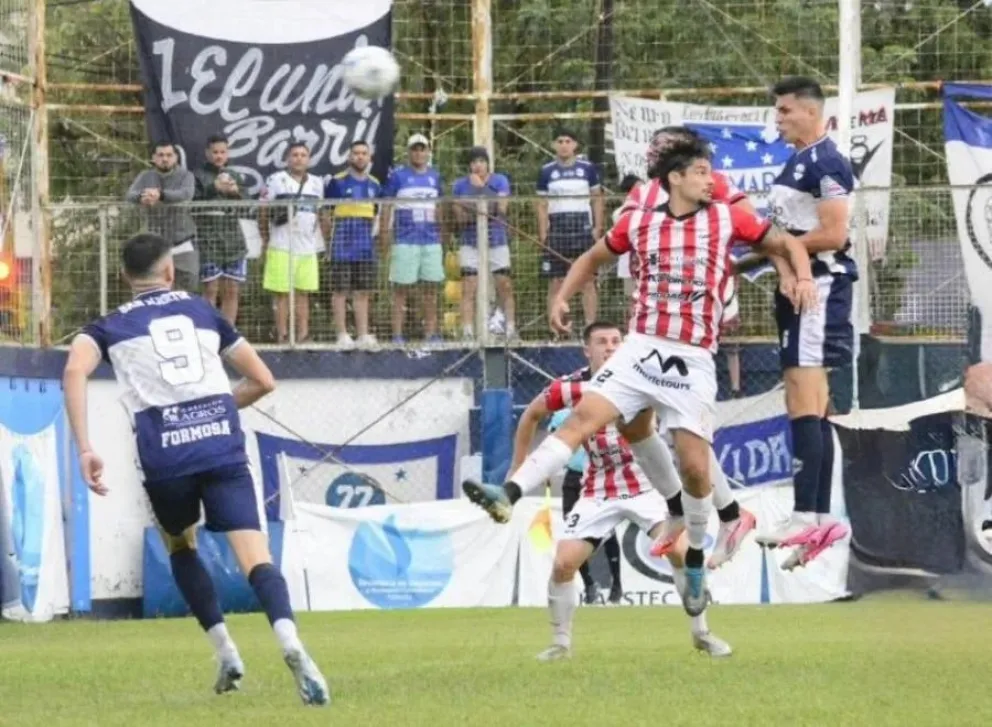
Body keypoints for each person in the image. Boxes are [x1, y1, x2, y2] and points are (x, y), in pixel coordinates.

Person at [462, 135, 818, 617]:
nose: (708, 179)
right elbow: (593, 257)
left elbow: (784, 242)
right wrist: (561, 296)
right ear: (672, 177)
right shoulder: (641, 217)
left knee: (695, 469)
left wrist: (801, 277)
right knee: (582, 419)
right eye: (698, 172)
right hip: (641, 345)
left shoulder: (726, 213)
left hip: (692, 357)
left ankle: (694, 554)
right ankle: (506, 494)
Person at [61, 233, 329, 705]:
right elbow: (264, 379)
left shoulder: (106, 327)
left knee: (180, 545)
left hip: (163, 452)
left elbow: (74, 371)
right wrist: (217, 410)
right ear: (170, 273)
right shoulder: (206, 311)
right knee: (256, 557)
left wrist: (85, 447)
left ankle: (226, 652)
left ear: (125, 277)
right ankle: (291, 643)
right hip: (221, 444)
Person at [520, 324, 732, 660]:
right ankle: (560, 644)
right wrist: (515, 469)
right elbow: (531, 414)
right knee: (563, 563)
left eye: (616, 341)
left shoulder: (649, 375)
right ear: (586, 350)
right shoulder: (574, 387)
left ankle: (702, 634)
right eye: (601, 342)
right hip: (598, 488)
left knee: (678, 550)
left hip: (647, 486)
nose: (610, 347)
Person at [752, 77, 857, 569]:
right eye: (777, 111)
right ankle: (817, 519)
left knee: (804, 399)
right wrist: (777, 260)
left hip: (820, 288)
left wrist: (786, 255)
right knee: (811, 403)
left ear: (813, 113)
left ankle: (804, 514)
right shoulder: (795, 161)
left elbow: (834, 233)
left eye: (787, 110)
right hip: (797, 285)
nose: (780, 118)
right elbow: (783, 234)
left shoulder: (827, 160)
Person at [536, 129, 604, 329]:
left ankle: (590, 326)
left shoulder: (587, 169)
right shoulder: (547, 171)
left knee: (587, 280)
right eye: (560, 141)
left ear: (575, 145)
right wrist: (543, 233)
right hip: (557, 228)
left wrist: (597, 227)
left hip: (582, 227)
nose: (564, 145)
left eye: (568, 140)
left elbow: (597, 198)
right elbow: (541, 204)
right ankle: (555, 328)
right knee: (556, 281)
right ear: (554, 145)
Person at [382, 133, 446, 344]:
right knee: (401, 290)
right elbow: (387, 206)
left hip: (430, 240)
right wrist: (385, 235)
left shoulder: (435, 177)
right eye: (415, 149)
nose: (419, 153)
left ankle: (431, 334)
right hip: (404, 240)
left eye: (422, 149)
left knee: (430, 290)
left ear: (428, 152)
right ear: (409, 152)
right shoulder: (398, 176)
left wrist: (442, 235)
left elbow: (440, 208)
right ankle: (397, 335)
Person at [259, 142, 324, 344]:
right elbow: (263, 210)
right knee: (282, 295)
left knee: (303, 293)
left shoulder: (317, 183)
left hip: (307, 247)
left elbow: (321, 214)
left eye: (303, 155)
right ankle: (282, 335)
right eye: (294, 154)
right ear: (287, 159)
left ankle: (303, 335)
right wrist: (265, 238)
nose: (299, 158)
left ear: (309, 159)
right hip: (281, 245)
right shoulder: (276, 180)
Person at [452, 146, 516, 340]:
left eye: (481, 161)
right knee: (469, 285)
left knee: (504, 283)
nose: (477, 165)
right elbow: (460, 217)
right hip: (470, 240)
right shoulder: (460, 185)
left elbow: (500, 209)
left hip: (496, 239)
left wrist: (479, 189)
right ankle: (468, 331)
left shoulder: (500, 181)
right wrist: (479, 207)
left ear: (487, 163)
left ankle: (510, 328)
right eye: (473, 162)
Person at [323, 141, 382, 350]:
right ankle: (342, 335)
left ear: (369, 158)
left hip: (365, 246)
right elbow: (325, 213)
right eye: (355, 153)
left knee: (363, 291)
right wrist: (329, 239)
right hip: (341, 245)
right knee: (340, 290)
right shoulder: (337, 182)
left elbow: (378, 217)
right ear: (349, 157)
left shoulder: (375, 184)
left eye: (364, 153)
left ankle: (363, 334)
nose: (359, 157)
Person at [125, 141, 198, 292]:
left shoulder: (186, 176)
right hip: (154, 246)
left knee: (186, 291)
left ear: (176, 157)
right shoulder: (145, 176)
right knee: (151, 292)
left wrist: (161, 195)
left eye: (169, 155)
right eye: (161, 155)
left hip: (181, 244)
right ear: (153, 158)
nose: (165, 159)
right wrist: (143, 196)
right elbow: (130, 195)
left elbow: (186, 194)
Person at [193, 134, 248, 325]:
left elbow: (248, 207)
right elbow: (191, 205)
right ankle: (208, 331)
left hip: (234, 238)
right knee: (210, 289)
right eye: (215, 152)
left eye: (222, 152)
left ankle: (228, 333)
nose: (218, 156)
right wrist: (213, 187)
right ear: (207, 152)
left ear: (227, 153)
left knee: (232, 289)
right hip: (208, 238)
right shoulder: (197, 175)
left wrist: (235, 193)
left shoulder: (235, 176)